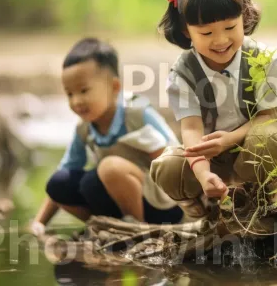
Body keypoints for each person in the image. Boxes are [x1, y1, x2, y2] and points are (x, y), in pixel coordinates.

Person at [150, 0, 277, 222]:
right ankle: (201, 208)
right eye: (206, 32)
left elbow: (269, 115)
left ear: (244, 16)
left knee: (269, 138)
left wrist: (228, 140)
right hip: (207, 156)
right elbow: (191, 129)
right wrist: (204, 175)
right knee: (167, 167)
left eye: (230, 27)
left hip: (250, 149)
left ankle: (261, 197)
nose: (220, 40)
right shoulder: (183, 72)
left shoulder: (261, 59)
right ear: (186, 31)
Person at [30, 38, 183, 235]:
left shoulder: (136, 113)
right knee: (60, 183)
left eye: (84, 91)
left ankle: (137, 229)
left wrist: (196, 207)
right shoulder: (84, 128)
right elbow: (65, 171)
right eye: (69, 94)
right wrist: (40, 223)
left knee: (109, 169)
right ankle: (105, 225)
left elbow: (172, 161)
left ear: (115, 87)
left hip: (163, 205)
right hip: (121, 197)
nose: (76, 101)